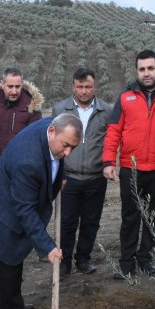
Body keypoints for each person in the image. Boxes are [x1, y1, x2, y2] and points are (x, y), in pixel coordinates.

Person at [0, 114, 82, 309]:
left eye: (73, 148)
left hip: (11, 197)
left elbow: (54, 160)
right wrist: (48, 247)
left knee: (13, 256)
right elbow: (26, 210)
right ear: (52, 131)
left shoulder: (51, 129)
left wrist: (58, 178)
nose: (67, 153)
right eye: (66, 146)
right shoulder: (27, 161)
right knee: (10, 256)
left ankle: (9, 301)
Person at [103, 49, 155, 279]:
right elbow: (114, 129)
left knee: (154, 217)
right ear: (137, 71)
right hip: (131, 168)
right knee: (130, 218)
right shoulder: (126, 97)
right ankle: (126, 263)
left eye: (150, 68)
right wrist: (108, 161)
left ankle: (146, 259)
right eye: (142, 69)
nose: (146, 73)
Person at [0, 68, 43, 285]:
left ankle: (12, 267)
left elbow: (34, 142)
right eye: (10, 86)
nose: (14, 90)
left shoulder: (32, 107)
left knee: (14, 221)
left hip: (19, 176)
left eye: (17, 86)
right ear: (2, 84)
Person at [52, 67, 112, 277]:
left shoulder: (106, 110)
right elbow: (53, 145)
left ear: (94, 86)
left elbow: (110, 141)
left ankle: (83, 259)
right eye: (80, 87)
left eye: (88, 87)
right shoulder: (60, 109)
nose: (84, 91)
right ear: (73, 87)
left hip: (96, 177)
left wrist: (107, 164)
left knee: (91, 222)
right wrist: (57, 176)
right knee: (67, 222)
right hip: (69, 177)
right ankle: (65, 261)